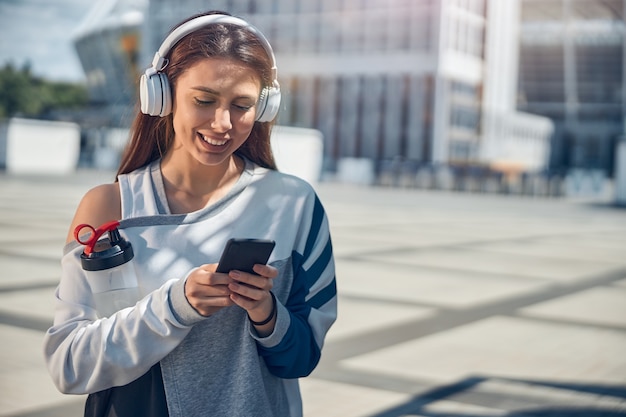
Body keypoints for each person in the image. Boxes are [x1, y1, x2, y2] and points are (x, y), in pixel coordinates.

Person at [43, 11, 337, 417]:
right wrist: (175, 306)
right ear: (161, 95)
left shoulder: (295, 204)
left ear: (264, 107)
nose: (222, 123)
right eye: (204, 100)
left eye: (242, 105)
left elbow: (303, 358)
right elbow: (70, 366)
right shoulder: (109, 208)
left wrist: (267, 314)